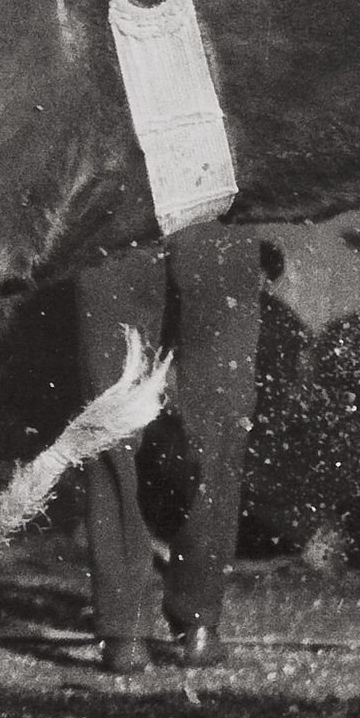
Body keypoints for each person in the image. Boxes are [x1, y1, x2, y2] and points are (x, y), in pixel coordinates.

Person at [76, 229, 268, 672]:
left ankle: (125, 630)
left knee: (114, 416)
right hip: (211, 198)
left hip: (126, 201)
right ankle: (197, 622)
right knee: (216, 420)